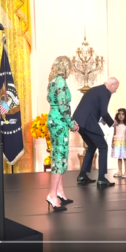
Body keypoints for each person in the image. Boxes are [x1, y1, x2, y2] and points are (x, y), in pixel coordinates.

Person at [46, 56, 79, 211]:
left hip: (54, 119)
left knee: (58, 155)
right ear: (65, 67)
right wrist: (71, 123)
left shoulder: (52, 81)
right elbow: (63, 104)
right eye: (70, 67)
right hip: (59, 121)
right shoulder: (60, 81)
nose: (70, 71)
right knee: (59, 157)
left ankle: (59, 191)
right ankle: (52, 194)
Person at [73, 77, 119, 187]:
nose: (115, 91)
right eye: (116, 88)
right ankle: (102, 178)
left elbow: (92, 107)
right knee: (103, 146)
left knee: (92, 146)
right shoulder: (106, 92)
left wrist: (100, 119)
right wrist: (112, 123)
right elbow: (104, 112)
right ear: (111, 85)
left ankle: (82, 175)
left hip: (79, 122)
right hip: (88, 122)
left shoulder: (95, 90)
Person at [111, 108, 126, 178]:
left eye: (123, 114)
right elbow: (114, 133)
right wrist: (112, 142)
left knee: (125, 157)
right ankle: (120, 171)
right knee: (119, 157)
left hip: (124, 143)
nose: (121, 116)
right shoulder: (116, 124)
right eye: (119, 114)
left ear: (125, 115)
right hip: (117, 143)